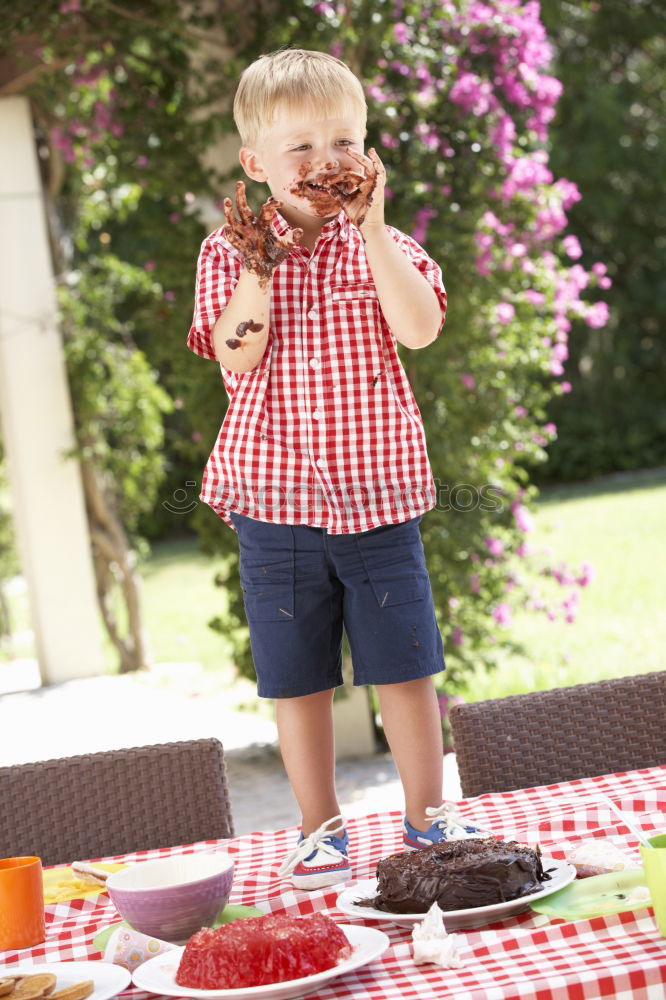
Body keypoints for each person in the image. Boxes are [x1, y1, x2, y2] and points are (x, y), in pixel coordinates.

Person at [187, 48, 484, 891]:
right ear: (255, 164)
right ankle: (319, 828)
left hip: (378, 497)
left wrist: (376, 229)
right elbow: (235, 359)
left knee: (406, 664)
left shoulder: (383, 246)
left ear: (369, 152)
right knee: (297, 676)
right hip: (273, 503)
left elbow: (420, 327)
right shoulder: (228, 252)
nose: (324, 163)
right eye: (299, 148)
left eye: (342, 141)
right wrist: (259, 263)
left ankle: (429, 818)